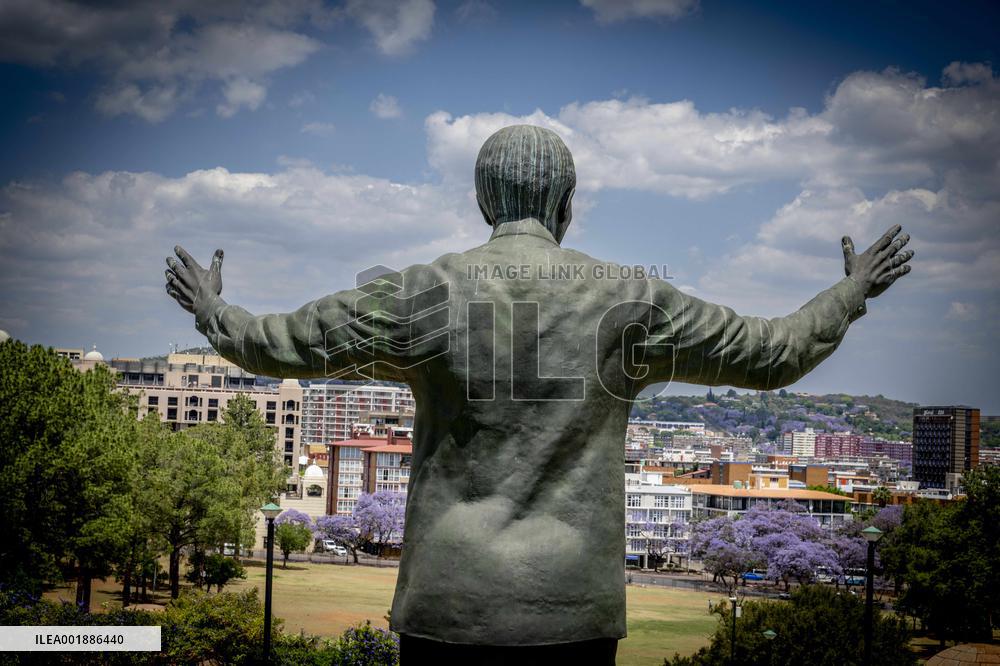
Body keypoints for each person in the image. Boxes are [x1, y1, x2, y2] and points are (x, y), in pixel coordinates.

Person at [165, 125, 912, 664]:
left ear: (485, 200)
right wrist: (848, 294)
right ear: (567, 203)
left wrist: (210, 311)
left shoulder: (423, 294)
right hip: (574, 615)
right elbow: (773, 353)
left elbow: (277, 344)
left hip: (447, 609)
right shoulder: (630, 299)